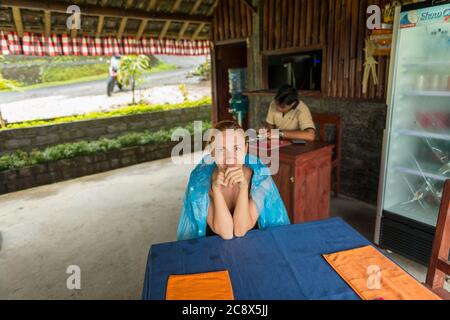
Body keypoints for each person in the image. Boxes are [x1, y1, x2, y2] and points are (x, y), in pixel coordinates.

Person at [177, 120, 290, 241]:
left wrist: (243, 188)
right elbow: (226, 233)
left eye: (236, 148)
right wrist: (216, 190)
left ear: (245, 149)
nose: (230, 157)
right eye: (221, 149)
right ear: (212, 152)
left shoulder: (259, 178)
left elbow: (240, 230)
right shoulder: (200, 182)